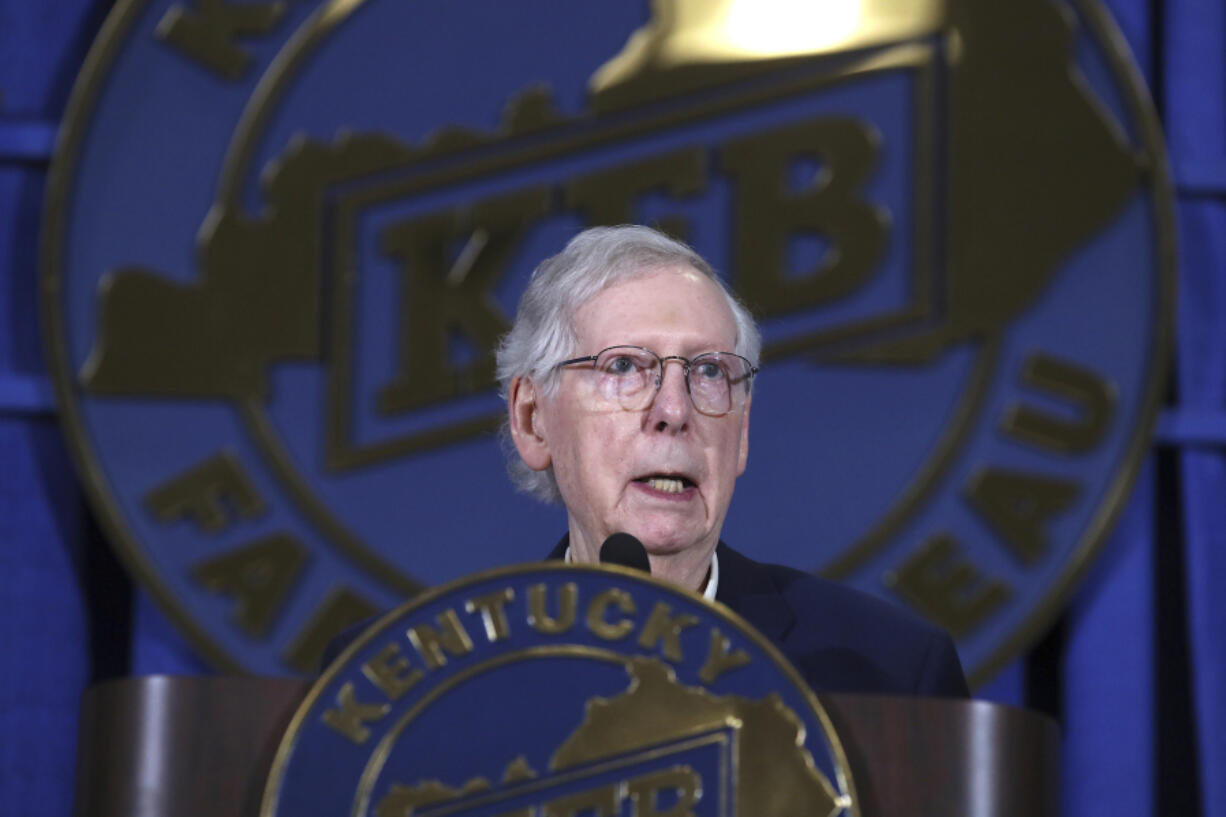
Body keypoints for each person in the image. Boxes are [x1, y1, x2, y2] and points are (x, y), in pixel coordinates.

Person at [496, 224, 969, 697]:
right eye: (624, 367)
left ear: (740, 432)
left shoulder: (892, 672)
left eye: (708, 372)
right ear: (533, 419)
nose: (675, 411)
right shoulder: (456, 680)